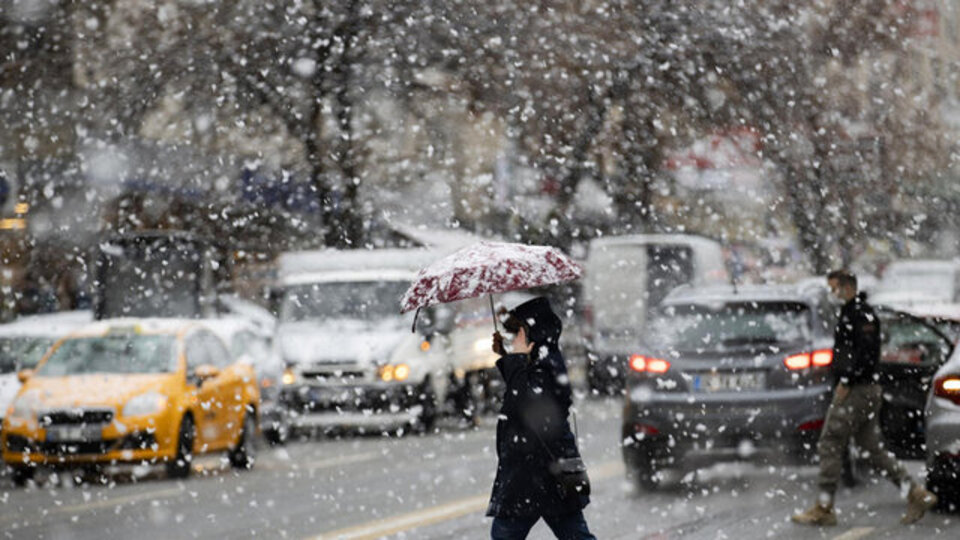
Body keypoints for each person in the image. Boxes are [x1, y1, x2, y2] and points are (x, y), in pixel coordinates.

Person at [792, 270, 938, 527]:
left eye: (834, 288)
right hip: (863, 389)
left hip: (857, 390)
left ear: (847, 287)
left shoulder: (860, 315)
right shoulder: (853, 312)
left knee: (830, 441)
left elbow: (865, 354)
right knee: (871, 448)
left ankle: (824, 507)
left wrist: (847, 380)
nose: (832, 294)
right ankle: (915, 493)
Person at [486, 296, 596, 540]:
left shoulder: (547, 364)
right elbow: (523, 391)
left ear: (532, 332)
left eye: (518, 332)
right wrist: (507, 355)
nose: (515, 338)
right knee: (574, 534)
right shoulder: (542, 359)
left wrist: (515, 359)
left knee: (505, 535)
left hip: (537, 472)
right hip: (543, 470)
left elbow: (526, 402)